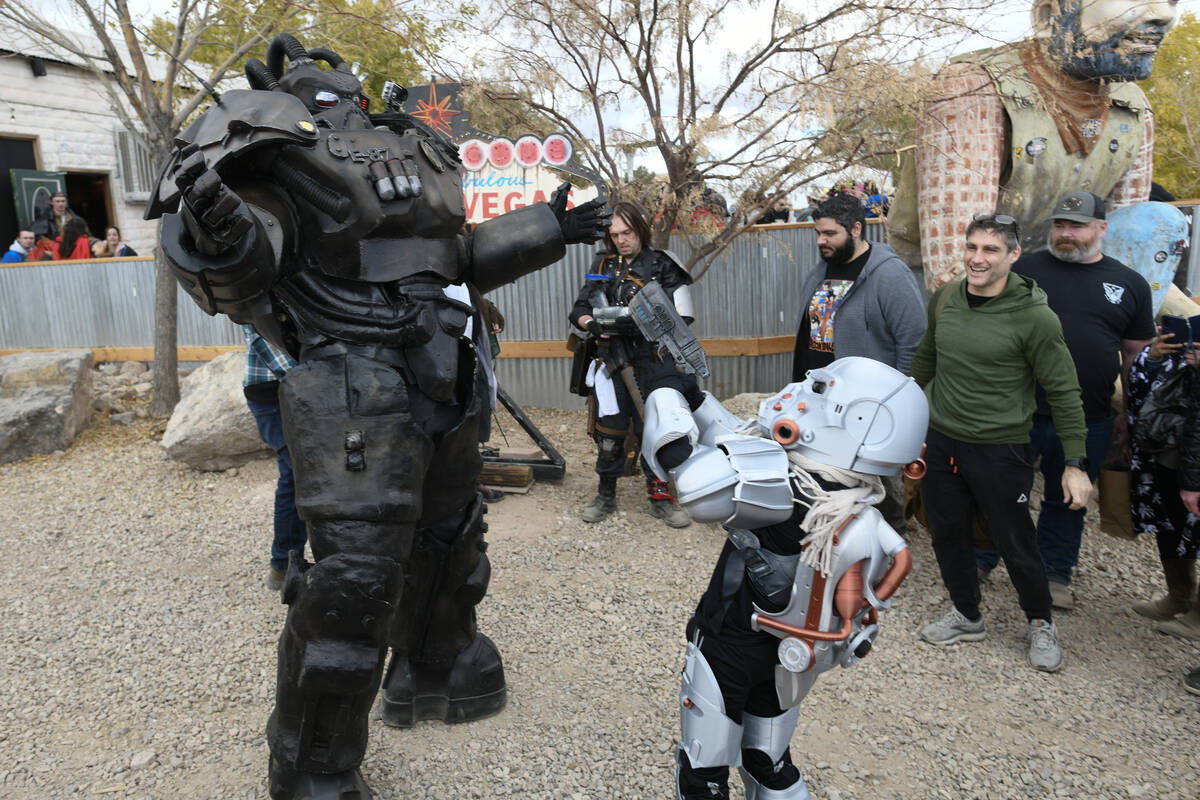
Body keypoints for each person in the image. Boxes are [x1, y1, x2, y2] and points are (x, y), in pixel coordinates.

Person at [147, 33, 610, 800]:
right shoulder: (263, 137)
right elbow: (245, 255)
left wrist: (547, 227)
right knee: (355, 581)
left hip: (440, 364)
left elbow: (452, 256)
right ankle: (311, 763)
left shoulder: (411, 142)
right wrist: (218, 230)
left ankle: (438, 664)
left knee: (449, 538)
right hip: (348, 379)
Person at [639, 357, 927, 800]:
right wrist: (696, 399)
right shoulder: (850, 494)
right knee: (769, 761)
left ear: (858, 420)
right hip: (794, 656)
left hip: (732, 645)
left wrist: (660, 393)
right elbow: (740, 447)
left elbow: (691, 479)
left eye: (818, 392)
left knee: (705, 769)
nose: (801, 391)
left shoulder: (789, 488)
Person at [887, 0, 1179, 291]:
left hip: (1051, 274)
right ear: (1047, 15)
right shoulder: (972, 88)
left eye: (1171, 1)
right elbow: (955, 270)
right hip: (938, 287)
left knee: (1157, 219)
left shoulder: (1132, 104)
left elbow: (1121, 254)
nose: (1164, 15)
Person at [911, 213, 1091, 673]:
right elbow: (926, 360)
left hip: (1001, 448)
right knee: (947, 532)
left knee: (1014, 540)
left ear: (1013, 255)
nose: (977, 258)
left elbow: (1065, 390)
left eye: (991, 250)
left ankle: (1040, 621)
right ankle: (967, 614)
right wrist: (905, 421)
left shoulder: (1035, 317)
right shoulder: (947, 297)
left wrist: (1074, 462)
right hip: (942, 439)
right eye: (972, 247)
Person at [975, 191, 1155, 609]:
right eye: (1061, 224)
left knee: (1068, 499)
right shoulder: (1023, 270)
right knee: (999, 490)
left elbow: (1136, 355)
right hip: (1015, 409)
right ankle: (980, 561)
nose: (1067, 233)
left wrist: (1130, 412)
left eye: (1077, 225)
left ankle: (1054, 574)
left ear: (1101, 229)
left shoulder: (1129, 283)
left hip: (1090, 416)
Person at [792, 192, 927, 532]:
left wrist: (894, 406)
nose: (821, 241)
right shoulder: (822, 269)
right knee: (829, 477)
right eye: (818, 233)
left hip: (869, 407)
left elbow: (914, 341)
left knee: (878, 484)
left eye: (829, 234)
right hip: (820, 398)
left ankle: (889, 547)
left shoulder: (889, 274)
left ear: (855, 229)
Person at [569, 200, 700, 528]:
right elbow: (579, 309)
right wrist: (592, 324)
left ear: (641, 229)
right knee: (610, 432)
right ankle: (606, 494)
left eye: (627, 232)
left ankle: (661, 497)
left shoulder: (662, 264)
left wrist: (645, 324)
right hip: (612, 359)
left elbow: (683, 316)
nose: (621, 240)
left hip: (653, 360)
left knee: (654, 430)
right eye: (614, 235)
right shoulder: (602, 263)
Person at [1127, 331, 1200, 638]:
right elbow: (1140, 383)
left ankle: (1198, 616)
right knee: (1169, 518)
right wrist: (1155, 356)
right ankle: (1180, 593)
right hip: (1171, 447)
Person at [243, 325, 307, 592]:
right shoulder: (259, 292)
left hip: (303, 386)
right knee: (296, 474)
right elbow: (263, 338)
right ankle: (283, 566)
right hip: (272, 392)